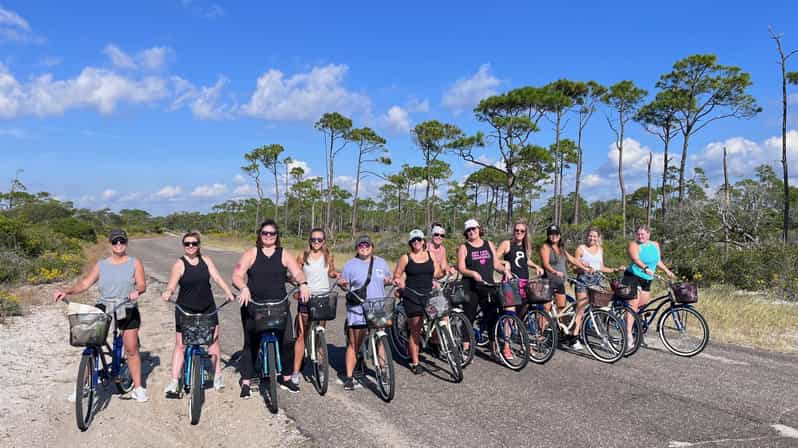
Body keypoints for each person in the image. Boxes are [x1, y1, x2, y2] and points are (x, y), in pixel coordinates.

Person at [54, 229, 149, 402]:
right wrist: (66, 291)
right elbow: (85, 283)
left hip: (126, 306)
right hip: (104, 306)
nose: (119, 245)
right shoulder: (102, 265)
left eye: (122, 241)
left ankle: (138, 388)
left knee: (131, 348)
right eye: (115, 242)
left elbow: (142, 284)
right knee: (92, 343)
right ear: (110, 244)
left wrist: (137, 291)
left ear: (126, 243)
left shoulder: (135, 263)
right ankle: (82, 387)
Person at [232, 219, 310, 399]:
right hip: (255, 306)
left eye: (272, 233)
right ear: (260, 235)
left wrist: (303, 283)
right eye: (265, 233)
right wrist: (243, 287)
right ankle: (246, 381)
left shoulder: (283, 254)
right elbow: (237, 275)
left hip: (279, 305)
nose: (268, 236)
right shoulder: (252, 253)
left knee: (288, 341)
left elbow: (297, 272)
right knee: (251, 343)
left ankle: (287, 377)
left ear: (277, 236)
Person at [160, 231, 234, 397]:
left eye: (194, 243)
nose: (191, 246)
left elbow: (217, 278)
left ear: (198, 245)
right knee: (181, 344)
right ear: (183, 246)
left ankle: (217, 376)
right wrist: (168, 292)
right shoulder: (179, 264)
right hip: (185, 309)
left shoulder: (206, 261)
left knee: (213, 340)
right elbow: (171, 285)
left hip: (207, 307)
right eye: (187, 244)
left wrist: (228, 292)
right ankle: (174, 381)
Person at [339, 235, 393, 391]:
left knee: (380, 340)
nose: (364, 247)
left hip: (377, 306)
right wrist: (343, 284)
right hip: (357, 308)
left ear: (372, 247)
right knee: (354, 343)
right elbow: (345, 284)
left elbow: (386, 279)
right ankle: (349, 377)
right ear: (357, 248)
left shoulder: (381, 263)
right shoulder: (350, 265)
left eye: (367, 245)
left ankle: (382, 369)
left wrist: (391, 280)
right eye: (361, 245)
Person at [289, 228, 338, 392]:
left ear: (324, 241)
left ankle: (322, 369)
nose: (316, 242)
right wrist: (294, 281)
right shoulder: (303, 256)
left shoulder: (328, 255)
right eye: (313, 239)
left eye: (319, 240)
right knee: (302, 335)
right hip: (306, 298)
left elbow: (330, 271)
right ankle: (295, 372)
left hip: (323, 298)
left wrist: (336, 275)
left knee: (320, 333)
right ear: (309, 240)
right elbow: (296, 273)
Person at [456, 219, 509, 355]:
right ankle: (466, 347)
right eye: (468, 230)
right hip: (470, 286)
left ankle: (493, 347)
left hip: (487, 286)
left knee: (492, 316)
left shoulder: (488, 244)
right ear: (466, 233)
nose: (471, 232)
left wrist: (505, 271)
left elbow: (496, 264)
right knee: (469, 316)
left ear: (479, 229)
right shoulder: (464, 247)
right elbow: (461, 268)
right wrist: (472, 273)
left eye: (474, 229)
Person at [393, 229, 441, 374]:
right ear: (410, 243)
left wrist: (439, 277)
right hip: (412, 295)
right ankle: (415, 362)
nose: (417, 242)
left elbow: (437, 272)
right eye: (414, 240)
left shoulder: (430, 255)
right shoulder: (406, 258)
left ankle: (436, 343)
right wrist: (399, 282)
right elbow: (397, 274)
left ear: (423, 241)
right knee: (416, 327)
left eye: (419, 240)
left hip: (429, 294)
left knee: (440, 317)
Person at [571, 227, 624, 350]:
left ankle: (604, 338)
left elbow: (601, 267)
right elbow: (574, 268)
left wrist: (615, 269)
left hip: (597, 281)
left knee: (601, 310)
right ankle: (574, 338)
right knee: (581, 310)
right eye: (590, 236)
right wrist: (583, 267)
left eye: (595, 236)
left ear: (598, 237)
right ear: (587, 236)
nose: (592, 238)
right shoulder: (581, 248)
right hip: (583, 281)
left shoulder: (600, 249)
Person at [623, 225, 675, 343]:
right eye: (638, 234)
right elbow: (636, 259)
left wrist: (667, 271)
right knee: (633, 306)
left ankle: (632, 326)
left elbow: (657, 261)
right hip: (633, 277)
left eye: (643, 234)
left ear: (648, 234)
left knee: (642, 306)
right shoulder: (634, 245)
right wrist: (645, 268)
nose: (640, 236)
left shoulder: (655, 245)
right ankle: (628, 335)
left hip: (647, 279)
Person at [539, 225, 589, 344]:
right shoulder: (545, 247)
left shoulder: (561, 248)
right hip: (548, 281)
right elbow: (546, 264)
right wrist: (555, 272)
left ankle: (562, 333)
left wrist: (585, 267)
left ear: (560, 235)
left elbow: (572, 259)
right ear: (548, 235)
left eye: (556, 233)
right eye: (551, 233)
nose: (554, 236)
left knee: (562, 308)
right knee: (546, 309)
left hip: (560, 282)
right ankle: (540, 335)